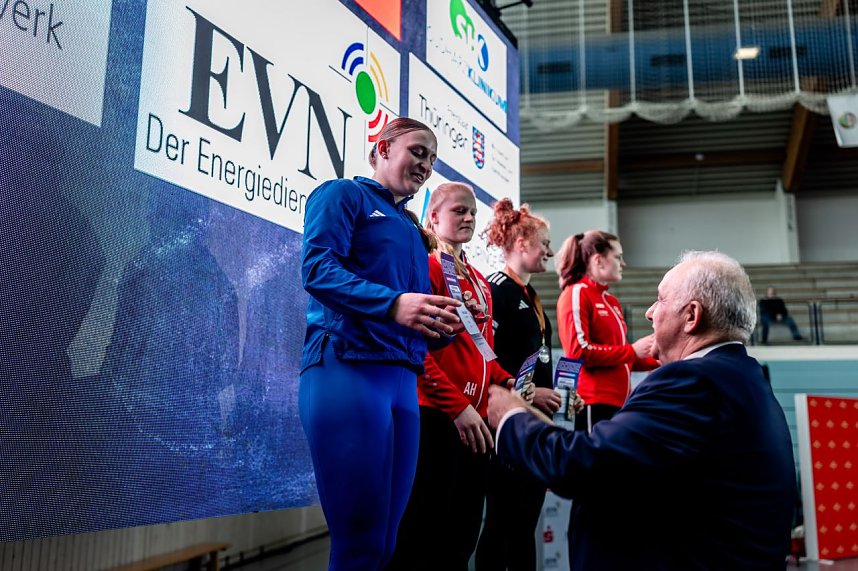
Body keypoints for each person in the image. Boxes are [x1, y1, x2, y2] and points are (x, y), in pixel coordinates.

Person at [487, 251, 796, 571]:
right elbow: (630, 467)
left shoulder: (692, 382)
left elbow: (584, 466)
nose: (649, 313)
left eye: (660, 300)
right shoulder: (746, 380)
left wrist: (512, 417)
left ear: (692, 316)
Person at [299, 118, 462, 571]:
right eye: (417, 151)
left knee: (385, 548)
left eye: (432, 158)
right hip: (346, 370)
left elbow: (410, 314)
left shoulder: (411, 230)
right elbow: (316, 271)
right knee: (358, 545)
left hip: (401, 386)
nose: (426, 164)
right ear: (384, 148)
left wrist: (437, 327)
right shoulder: (341, 195)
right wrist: (394, 305)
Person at [387, 182, 518, 571]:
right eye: (459, 211)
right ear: (434, 218)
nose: (468, 218)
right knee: (424, 532)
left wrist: (508, 382)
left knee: (462, 535)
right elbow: (417, 351)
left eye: (473, 213)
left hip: (475, 421)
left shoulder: (479, 281)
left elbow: (484, 353)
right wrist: (457, 406)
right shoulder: (425, 267)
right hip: (436, 415)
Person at [476, 198, 559, 571]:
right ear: (522, 243)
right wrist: (526, 394)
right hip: (505, 425)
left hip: (534, 423)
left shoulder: (531, 295)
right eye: (545, 244)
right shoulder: (496, 291)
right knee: (502, 524)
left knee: (525, 524)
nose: (550, 252)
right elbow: (485, 362)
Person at [554, 231, 659, 433]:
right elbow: (578, 352)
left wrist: (660, 359)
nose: (623, 263)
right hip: (592, 402)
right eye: (618, 257)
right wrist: (632, 351)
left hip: (619, 402)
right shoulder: (577, 293)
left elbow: (622, 359)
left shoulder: (610, 301)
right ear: (598, 260)